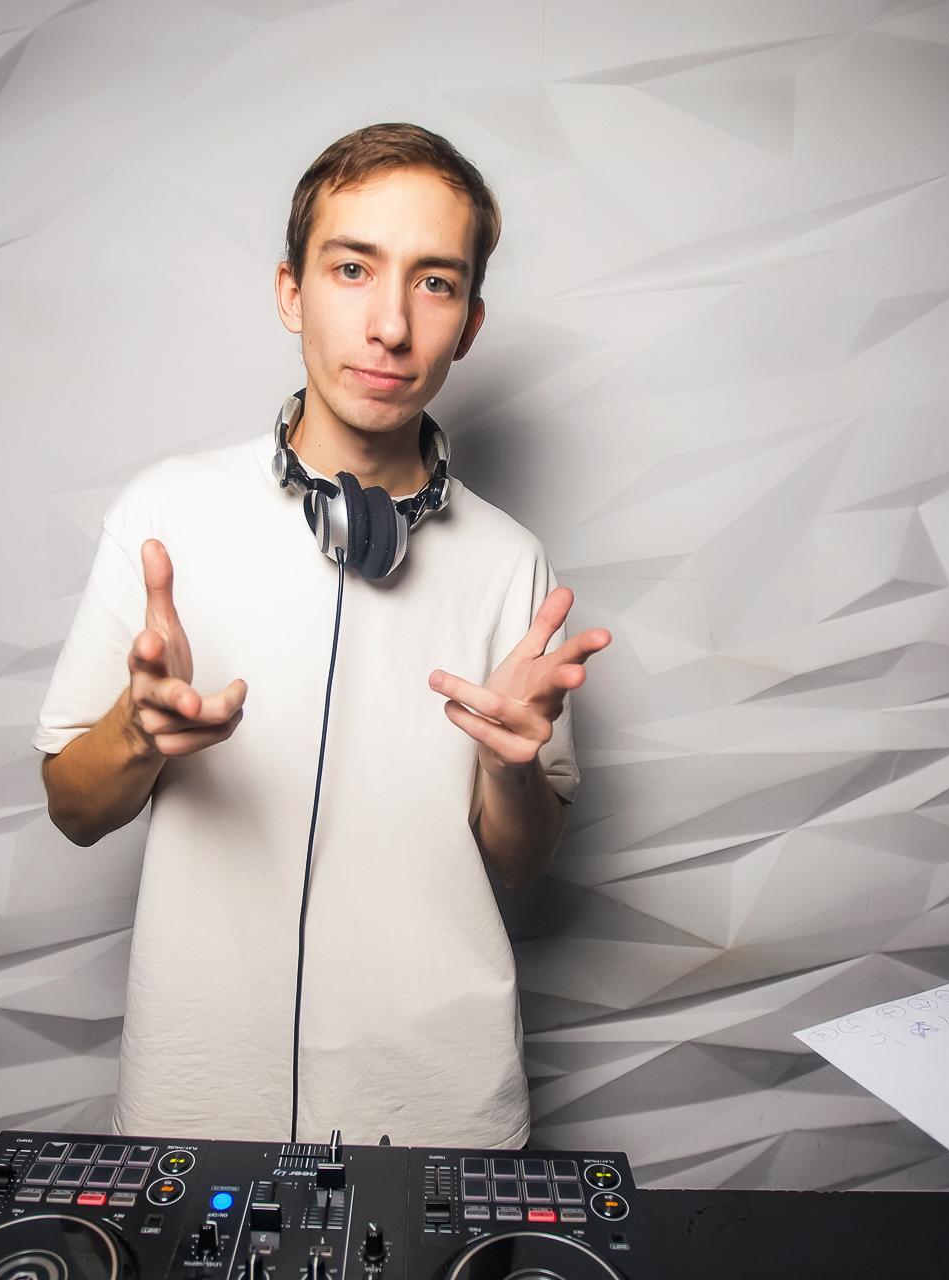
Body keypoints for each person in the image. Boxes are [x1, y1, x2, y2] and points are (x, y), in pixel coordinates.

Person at [32, 122, 610, 1149]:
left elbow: (523, 863)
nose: (390, 324)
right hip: (195, 1103)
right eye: (353, 268)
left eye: (434, 283)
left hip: (443, 1110)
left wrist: (511, 768)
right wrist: (136, 731)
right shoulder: (167, 514)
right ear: (291, 290)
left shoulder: (511, 562)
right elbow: (74, 812)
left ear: (469, 324)